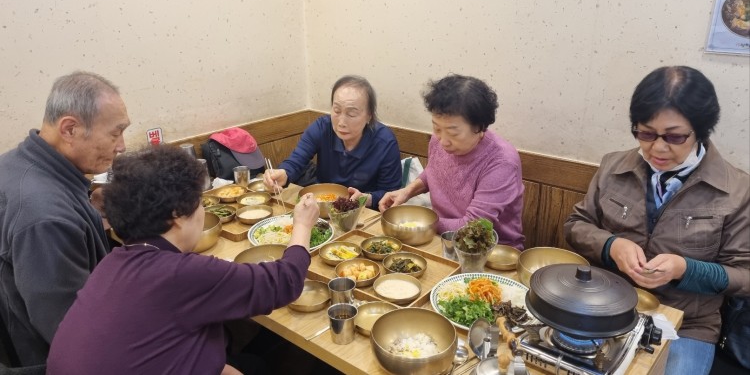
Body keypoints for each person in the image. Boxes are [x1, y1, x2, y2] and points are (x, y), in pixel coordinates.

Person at [47, 145, 320, 374]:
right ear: (177, 214)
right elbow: (284, 281)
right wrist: (302, 225)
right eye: (199, 202)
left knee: (250, 363)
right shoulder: (179, 274)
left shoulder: (112, 262)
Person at [564, 66, 749, 375]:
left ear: (701, 131)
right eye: (646, 133)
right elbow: (576, 225)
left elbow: (744, 276)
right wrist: (611, 246)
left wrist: (685, 269)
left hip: (687, 324)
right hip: (605, 305)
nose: (658, 148)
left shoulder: (737, 189)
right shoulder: (613, 166)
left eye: (674, 137)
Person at [0, 71, 130, 366]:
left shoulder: (18, 163)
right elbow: (72, 333)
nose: (121, 145)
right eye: (115, 133)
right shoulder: (45, 216)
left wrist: (90, 207)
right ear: (69, 129)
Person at [379, 74, 525, 250]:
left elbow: (473, 227)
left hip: (490, 251)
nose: (443, 141)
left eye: (453, 133)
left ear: (480, 127)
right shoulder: (439, 140)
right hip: (442, 239)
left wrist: (418, 221)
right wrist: (407, 191)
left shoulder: (501, 162)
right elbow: (434, 171)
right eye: (436, 128)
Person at [263, 75, 401, 209]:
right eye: (336, 110)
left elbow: (390, 194)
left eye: (351, 114)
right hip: (323, 206)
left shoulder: (385, 142)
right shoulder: (321, 128)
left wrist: (366, 198)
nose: (341, 122)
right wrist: (284, 173)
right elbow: (296, 160)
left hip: (364, 212)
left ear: (369, 116)